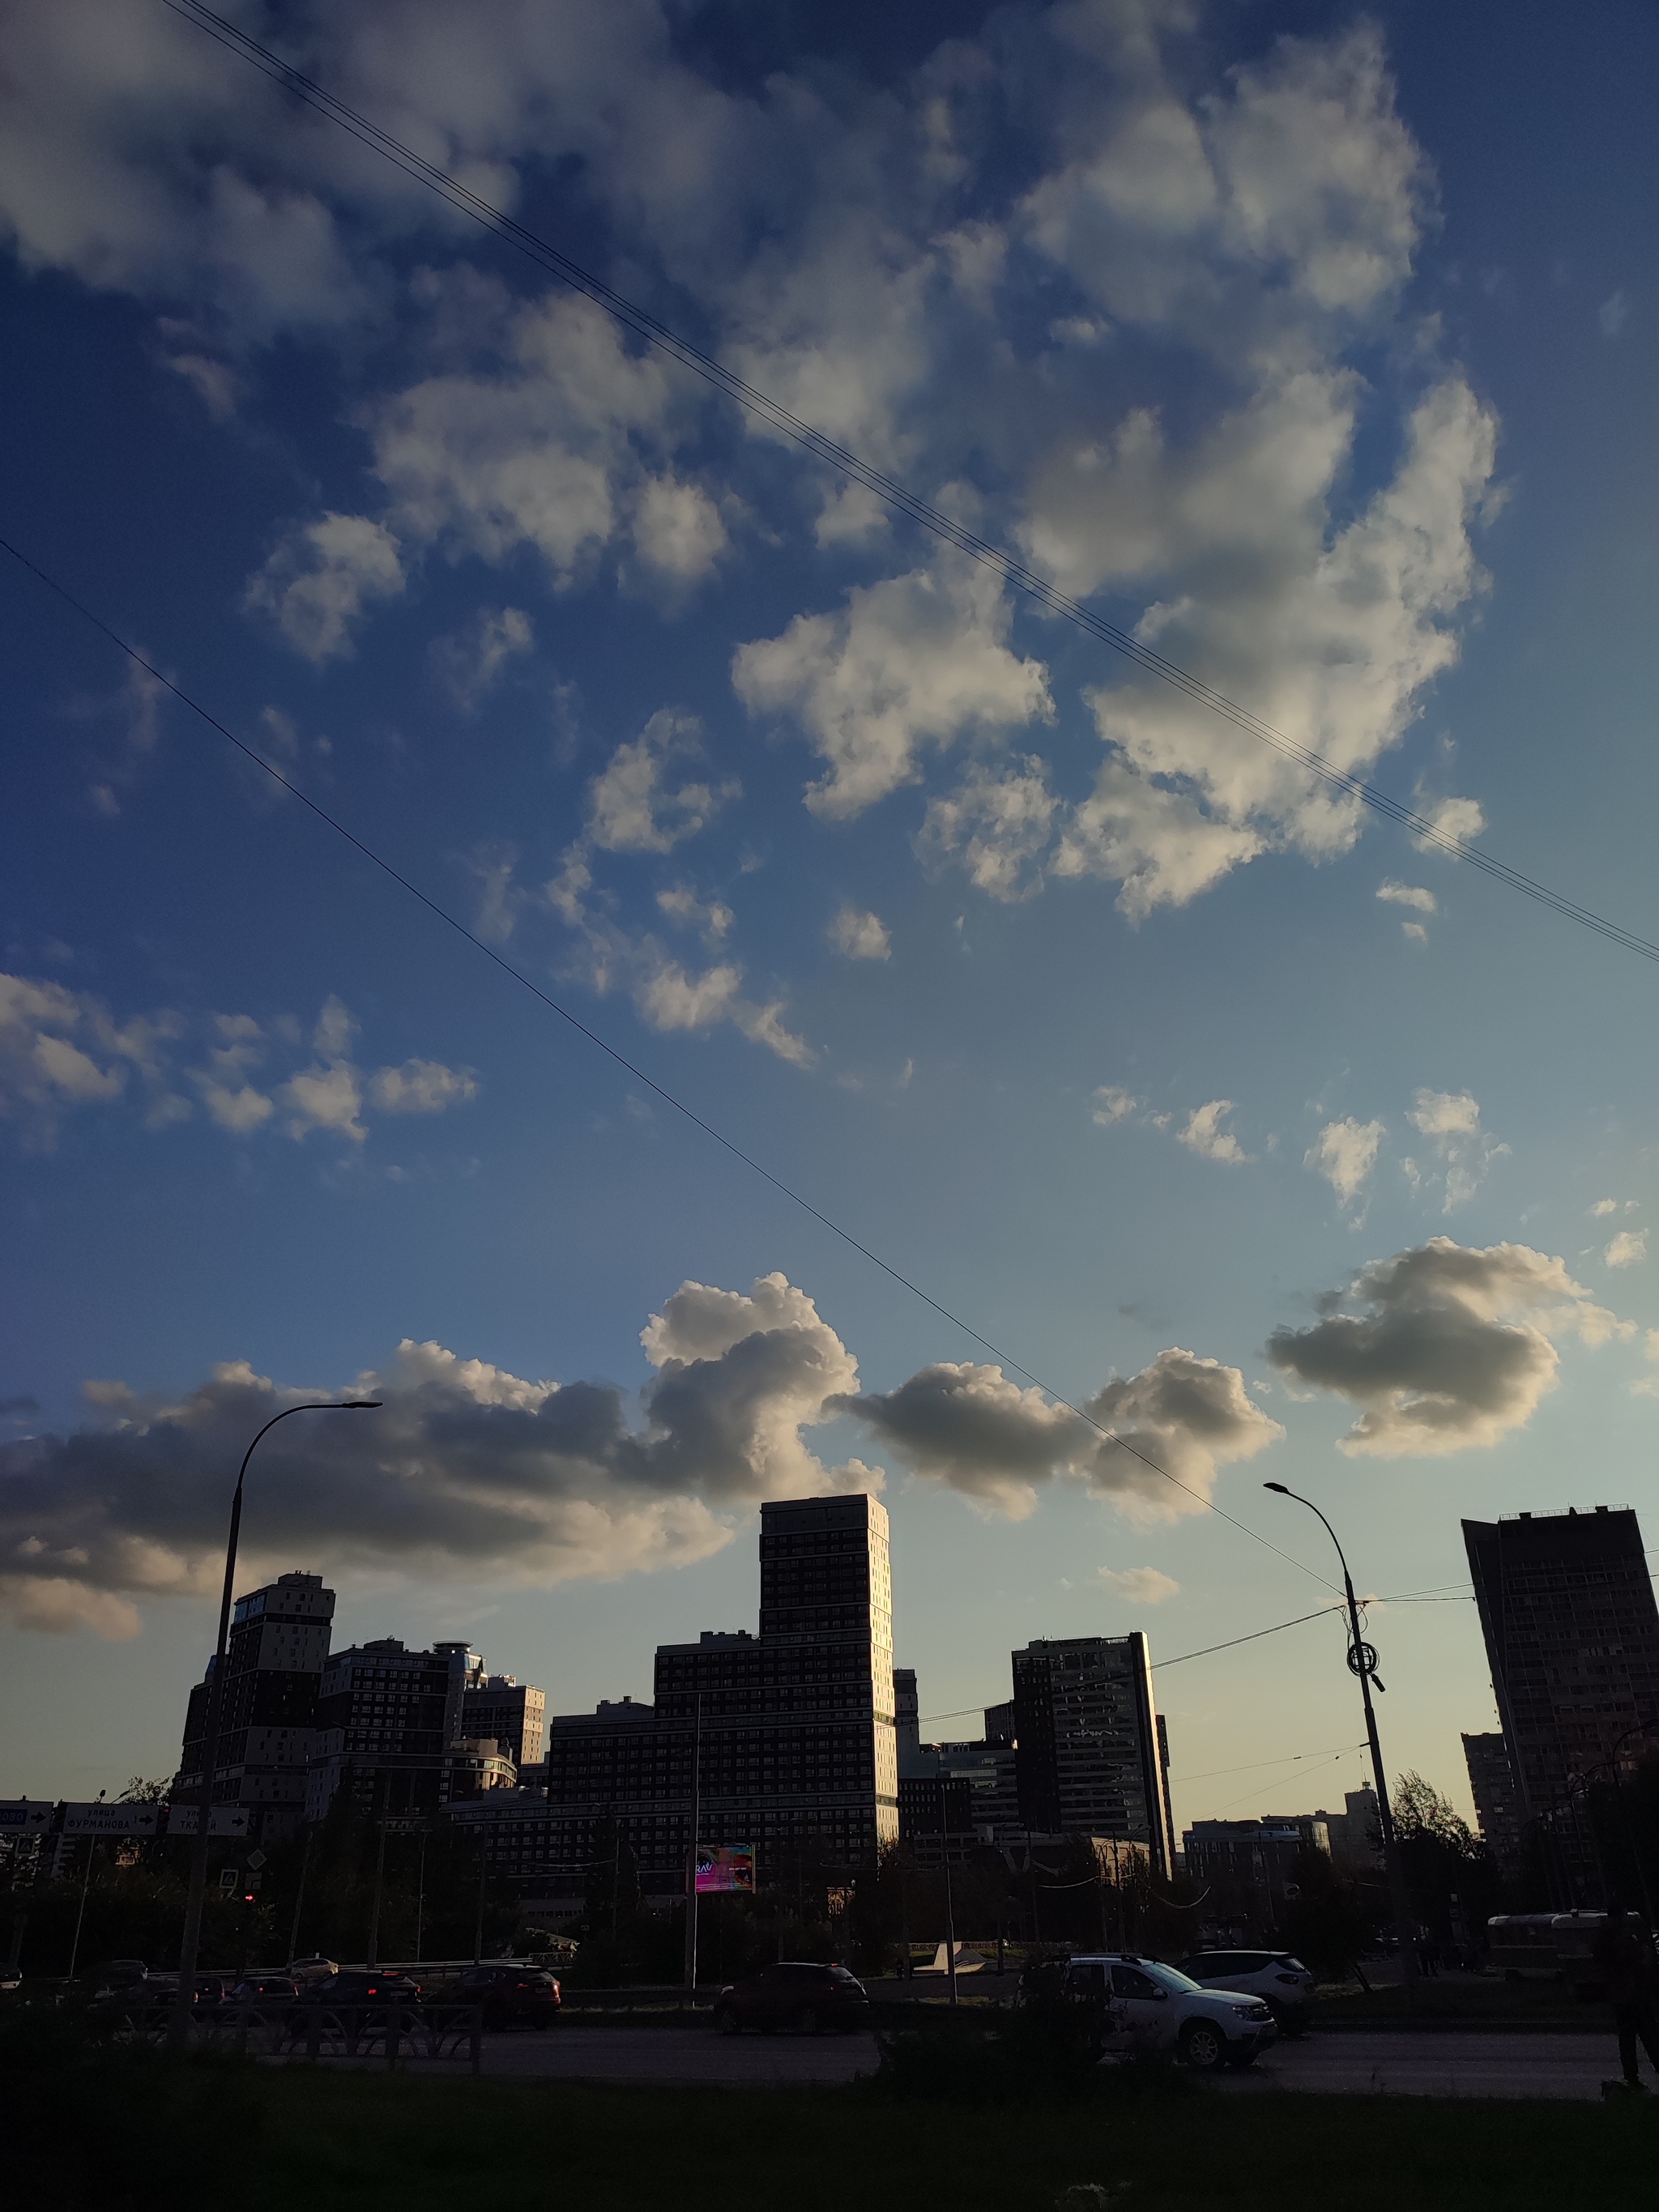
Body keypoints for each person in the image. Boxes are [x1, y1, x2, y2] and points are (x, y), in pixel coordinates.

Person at [1594, 1907, 1659, 2091]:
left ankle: (1631, 2075)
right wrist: (1644, 1957)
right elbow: (1637, 1962)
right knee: (1649, 2034)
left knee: (1628, 2038)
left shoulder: (1604, 1939)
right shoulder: (1622, 1940)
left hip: (1621, 1996)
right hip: (1633, 1995)